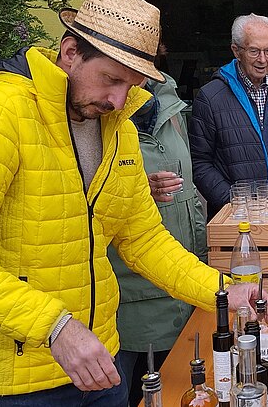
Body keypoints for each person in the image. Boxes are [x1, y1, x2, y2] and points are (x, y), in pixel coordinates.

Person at [0, 0, 264, 405]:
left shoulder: (120, 129)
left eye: (131, 85)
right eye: (112, 79)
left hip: (101, 364)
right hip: (18, 380)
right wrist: (55, 327)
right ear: (70, 53)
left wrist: (223, 290)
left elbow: (143, 239)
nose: (119, 100)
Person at [111, 46, 207, 406]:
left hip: (178, 276)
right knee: (132, 391)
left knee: (180, 388)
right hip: (129, 291)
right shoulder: (101, 106)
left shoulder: (170, 102)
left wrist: (200, 257)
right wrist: (138, 188)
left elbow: (189, 187)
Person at [190, 14, 268, 217]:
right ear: (236, 51)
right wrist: (233, 204)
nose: (262, 59)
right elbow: (200, 163)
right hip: (236, 219)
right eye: (254, 51)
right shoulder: (210, 97)